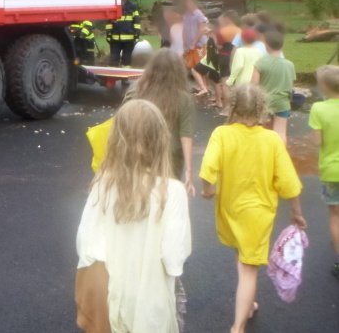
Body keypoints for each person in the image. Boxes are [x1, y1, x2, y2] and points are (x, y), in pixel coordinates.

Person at [77, 100, 191, 333]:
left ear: (116, 140)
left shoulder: (103, 185)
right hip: (151, 306)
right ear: (161, 140)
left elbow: (86, 244)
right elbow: (173, 259)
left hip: (110, 300)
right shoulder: (172, 192)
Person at [200, 85, 305, 333]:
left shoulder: (222, 134)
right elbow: (289, 182)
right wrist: (296, 212)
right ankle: (238, 326)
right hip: (258, 214)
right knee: (249, 268)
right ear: (262, 108)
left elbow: (207, 169)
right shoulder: (272, 140)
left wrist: (207, 190)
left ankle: (246, 308)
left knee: (243, 257)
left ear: (232, 105)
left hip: (231, 209)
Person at [126, 49, 196, 196]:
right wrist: (189, 172)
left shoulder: (137, 90)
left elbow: (126, 120)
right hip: (170, 158)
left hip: (140, 151)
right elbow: (186, 135)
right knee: (165, 196)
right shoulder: (183, 98)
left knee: (140, 193)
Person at [309, 65, 339, 279]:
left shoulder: (319, 109)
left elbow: (317, 141)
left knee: (335, 216)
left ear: (323, 87)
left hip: (331, 170)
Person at [252, 31, 296, 143]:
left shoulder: (260, 63)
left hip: (264, 101)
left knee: (261, 130)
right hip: (282, 102)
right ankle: (280, 156)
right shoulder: (289, 64)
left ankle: (264, 153)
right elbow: (290, 87)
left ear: (266, 45)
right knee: (281, 132)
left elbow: (254, 85)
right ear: (282, 45)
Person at [106, 0, 141, 67]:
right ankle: (112, 77)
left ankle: (125, 79)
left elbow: (136, 21)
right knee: (114, 59)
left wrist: (136, 34)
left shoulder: (133, 6)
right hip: (115, 38)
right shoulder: (113, 5)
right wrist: (108, 34)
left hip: (129, 38)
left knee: (127, 60)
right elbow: (109, 21)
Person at [181, 0, 208, 95]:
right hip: (189, 45)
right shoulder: (186, 15)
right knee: (193, 66)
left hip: (198, 45)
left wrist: (194, 42)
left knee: (196, 67)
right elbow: (184, 30)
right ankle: (202, 86)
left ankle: (203, 87)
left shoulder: (199, 14)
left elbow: (202, 29)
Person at [225, 28, 264, 96]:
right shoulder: (259, 52)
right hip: (255, 82)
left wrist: (230, 81)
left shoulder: (240, 51)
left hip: (242, 84)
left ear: (242, 39)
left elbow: (238, 66)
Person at [193, 21, 222, 106]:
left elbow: (217, 47)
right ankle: (218, 101)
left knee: (195, 69)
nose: (203, 29)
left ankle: (205, 89)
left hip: (213, 61)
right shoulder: (210, 36)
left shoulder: (213, 36)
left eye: (206, 27)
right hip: (211, 61)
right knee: (215, 81)